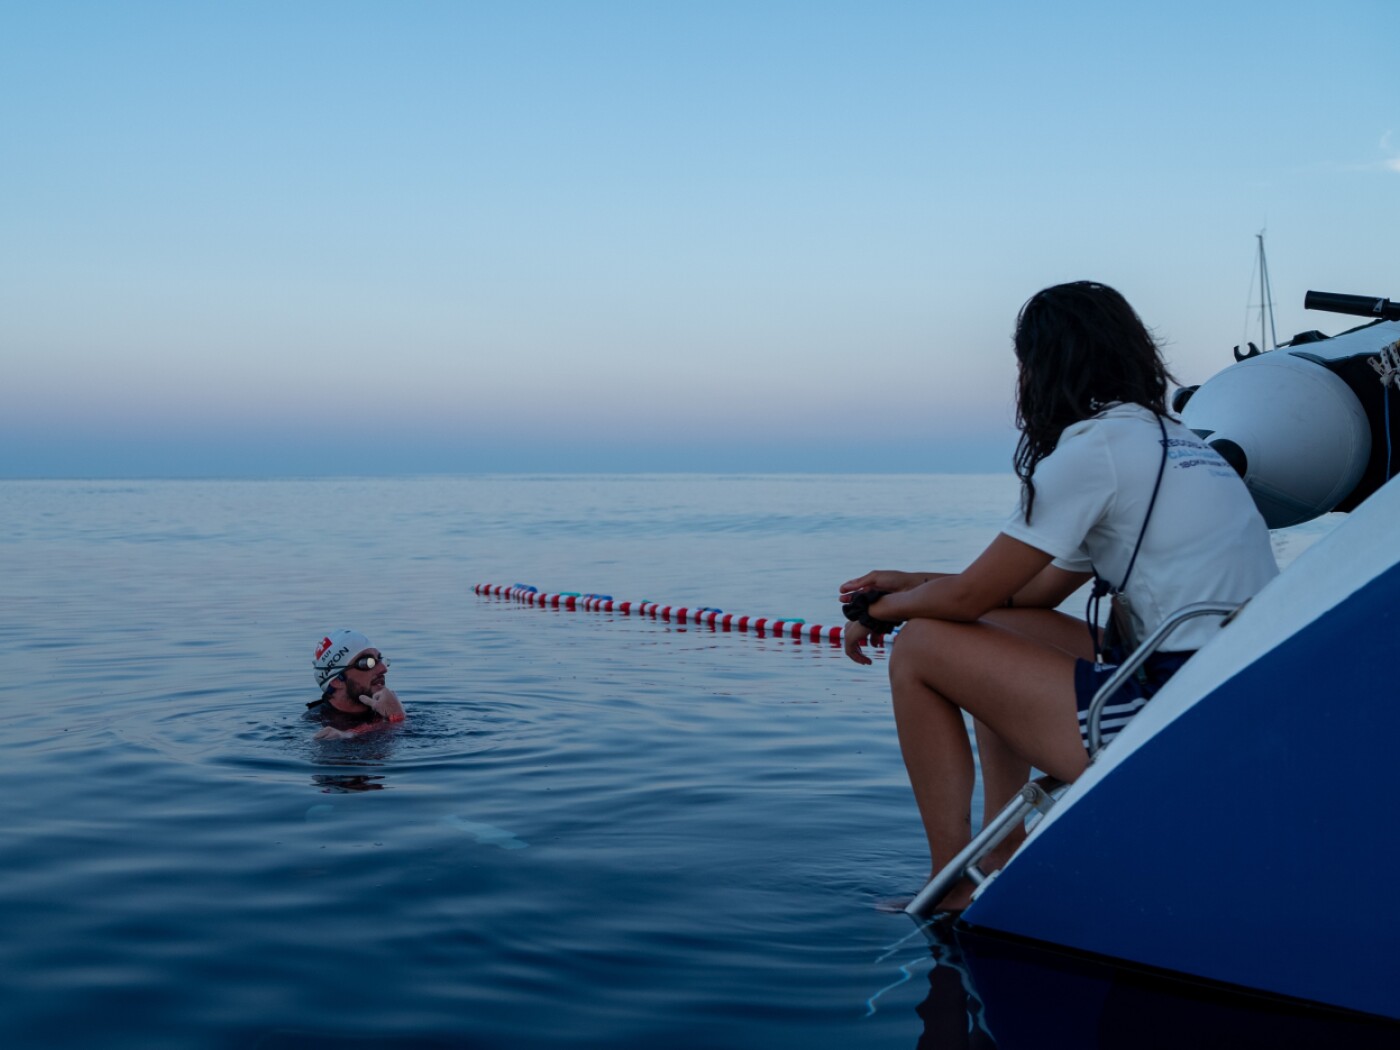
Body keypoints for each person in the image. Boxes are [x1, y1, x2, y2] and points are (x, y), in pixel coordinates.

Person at [840, 281, 1278, 912]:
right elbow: (1023, 595)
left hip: (1175, 718)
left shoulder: (1091, 450)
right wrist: (911, 582)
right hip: (1232, 695)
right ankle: (1001, 849)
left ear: (1042, 367)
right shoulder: (1175, 441)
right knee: (993, 626)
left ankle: (948, 883)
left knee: (922, 646)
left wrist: (878, 614)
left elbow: (964, 602)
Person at [307, 629, 406, 741]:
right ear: (336, 680)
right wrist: (396, 718)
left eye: (379, 660)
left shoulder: (387, 706)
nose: (383, 669)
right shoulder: (314, 725)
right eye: (367, 663)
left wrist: (396, 716)